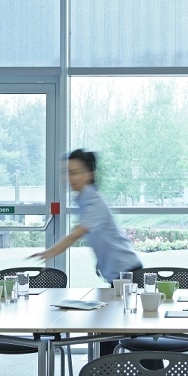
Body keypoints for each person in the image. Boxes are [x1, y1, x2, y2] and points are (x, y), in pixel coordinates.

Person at [31, 149, 142, 355]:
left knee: (117, 332)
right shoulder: (83, 199)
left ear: (88, 174)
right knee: (114, 331)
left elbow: (78, 233)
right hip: (118, 274)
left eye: (74, 172)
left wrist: (51, 252)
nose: (69, 178)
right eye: (67, 172)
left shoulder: (93, 200)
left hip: (128, 273)